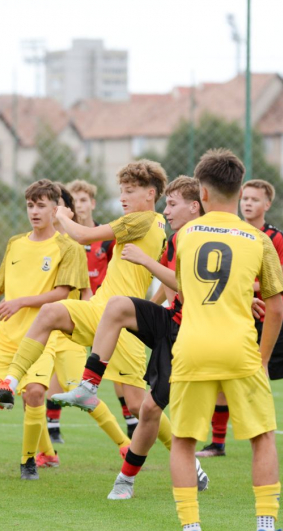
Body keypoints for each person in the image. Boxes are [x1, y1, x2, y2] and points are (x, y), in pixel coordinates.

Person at [0, 161, 168, 456]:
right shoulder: (157, 222)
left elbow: (84, 236)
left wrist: (61, 215)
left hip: (122, 319)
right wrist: (151, 307)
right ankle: (9, 383)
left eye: (130, 191)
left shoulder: (142, 219)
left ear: (150, 193)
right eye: (121, 191)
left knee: (139, 404)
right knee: (50, 312)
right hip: (104, 309)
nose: (123, 197)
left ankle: (190, 462)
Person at [168, 149, 283, 531]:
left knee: (184, 441)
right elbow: (276, 306)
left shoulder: (184, 236)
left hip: (192, 348)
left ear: (202, 193)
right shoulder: (259, 240)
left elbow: (187, 292)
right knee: (263, 437)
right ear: (240, 192)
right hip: (240, 349)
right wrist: (261, 356)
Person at [0, 180, 91, 480]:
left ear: (56, 209)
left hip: (41, 337)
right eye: (30, 205)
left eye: (41, 206)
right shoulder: (15, 243)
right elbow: (0, 285)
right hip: (6, 336)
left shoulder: (69, 248)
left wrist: (22, 302)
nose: (35, 212)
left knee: (36, 394)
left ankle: (28, 461)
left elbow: (64, 293)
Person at [82, 176, 209, 500]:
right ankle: (88, 386)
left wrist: (145, 260)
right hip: (172, 321)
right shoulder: (177, 238)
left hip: (196, 333)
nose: (165, 210)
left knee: (149, 408)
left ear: (195, 206)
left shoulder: (203, 239)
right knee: (119, 306)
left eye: (172, 203)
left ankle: (133, 478)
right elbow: (168, 290)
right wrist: (142, 318)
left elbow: (187, 285)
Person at [197, 180, 283, 461]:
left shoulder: (276, 237)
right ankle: (217, 444)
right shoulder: (231, 233)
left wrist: (248, 286)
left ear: (267, 205)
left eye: (255, 199)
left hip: (274, 317)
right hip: (238, 316)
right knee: (223, 378)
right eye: (245, 198)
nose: (248, 203)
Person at [59, 180, 138, 440]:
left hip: (104, 307)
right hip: (75, 307)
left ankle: (130, 421)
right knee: (59, 361)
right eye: (74, 201)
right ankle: (52, 428)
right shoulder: (63, 238)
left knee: (114, 364)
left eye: (83, 200)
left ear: (92, 203)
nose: (79, 205)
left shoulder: (105, 239)